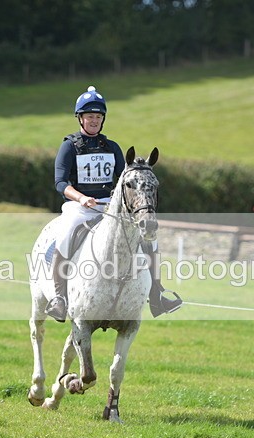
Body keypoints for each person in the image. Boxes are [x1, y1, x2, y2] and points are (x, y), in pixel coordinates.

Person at [45, 85, 183, 322]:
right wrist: (81, 198)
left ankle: (157, 294)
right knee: (66, 233)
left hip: (110, 207)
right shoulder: (69, 146)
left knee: (151, 239)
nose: (94, 121)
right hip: (79, 207)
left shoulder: (112, 147)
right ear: (80, 118)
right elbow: (60, 183)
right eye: (90, 116)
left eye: (98, 117)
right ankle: (59, 298)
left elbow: (124, 179)